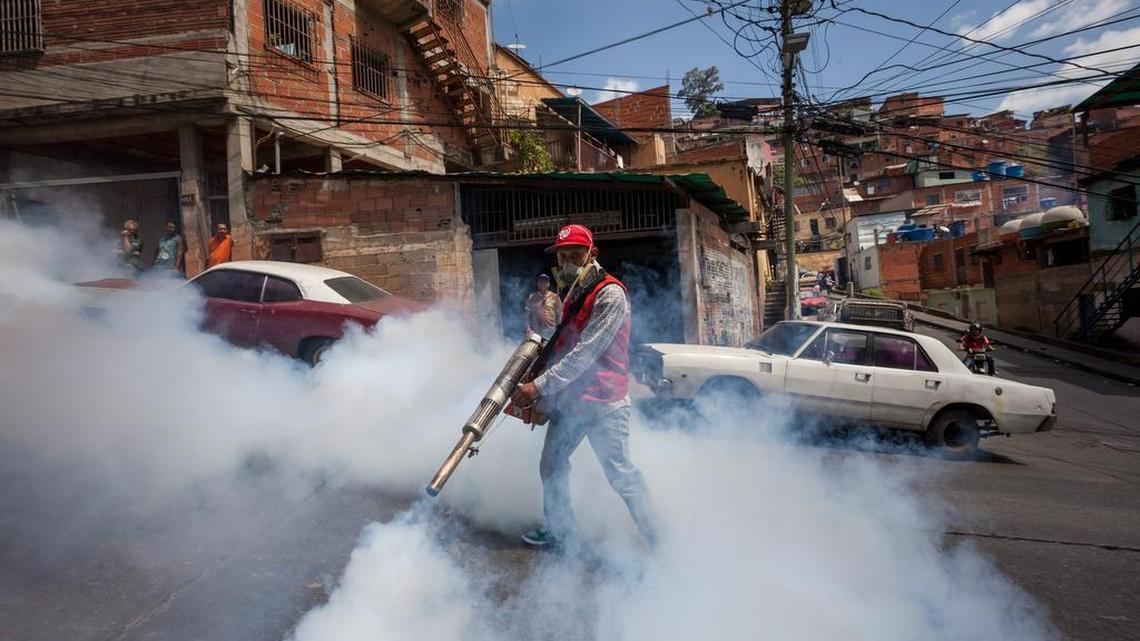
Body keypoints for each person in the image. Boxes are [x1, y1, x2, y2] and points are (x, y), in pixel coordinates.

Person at [511, 224, 657, 550]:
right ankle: (560, 529)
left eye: (575, 255)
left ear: (593, 254)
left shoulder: (610, 294)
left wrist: (539, 386)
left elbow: (586, 353)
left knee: (621, 475)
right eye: (562, 256)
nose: (567, 263)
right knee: (551, 465)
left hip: (604, 403)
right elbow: (564, 343)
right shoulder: (574, 292)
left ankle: (659, 539)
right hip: (571, 402)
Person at [523, 273, 562, 340]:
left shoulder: (555, 297)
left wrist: (558, 330)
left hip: (551, 331)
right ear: (537, 283)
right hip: (536, 332)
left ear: (548, 284)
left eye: (545, 282)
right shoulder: (532, 297)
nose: (542, 283)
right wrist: (528, 328)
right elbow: (526, 316)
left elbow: (560, 314)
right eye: (540, 281)